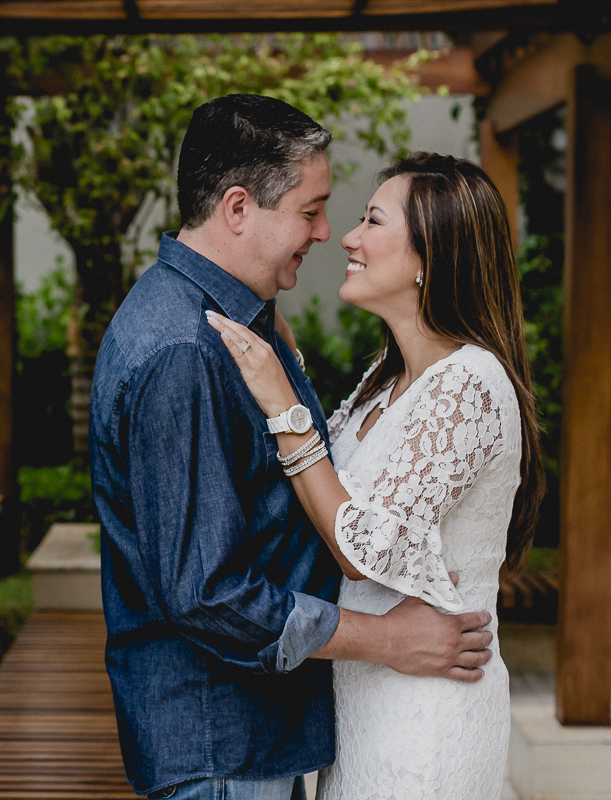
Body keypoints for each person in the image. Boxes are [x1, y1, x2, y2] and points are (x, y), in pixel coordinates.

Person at [89, 94, 498, 800]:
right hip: (223, 745)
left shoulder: (232, 329)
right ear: (240, 208)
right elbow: (208, 593)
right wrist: (387, 639)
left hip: (254, 737)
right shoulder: (186, 349)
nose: (326, 231)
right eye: (310, 211)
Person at [205, 151, 544, 799]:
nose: (349, 238)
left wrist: (286, 406)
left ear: (429, 258)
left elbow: (365, 546)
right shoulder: (386, 379)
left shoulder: (469, 383)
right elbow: (333, 482)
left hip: (427, 719)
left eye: (372, 220)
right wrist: (285, 359)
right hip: (367, 704)